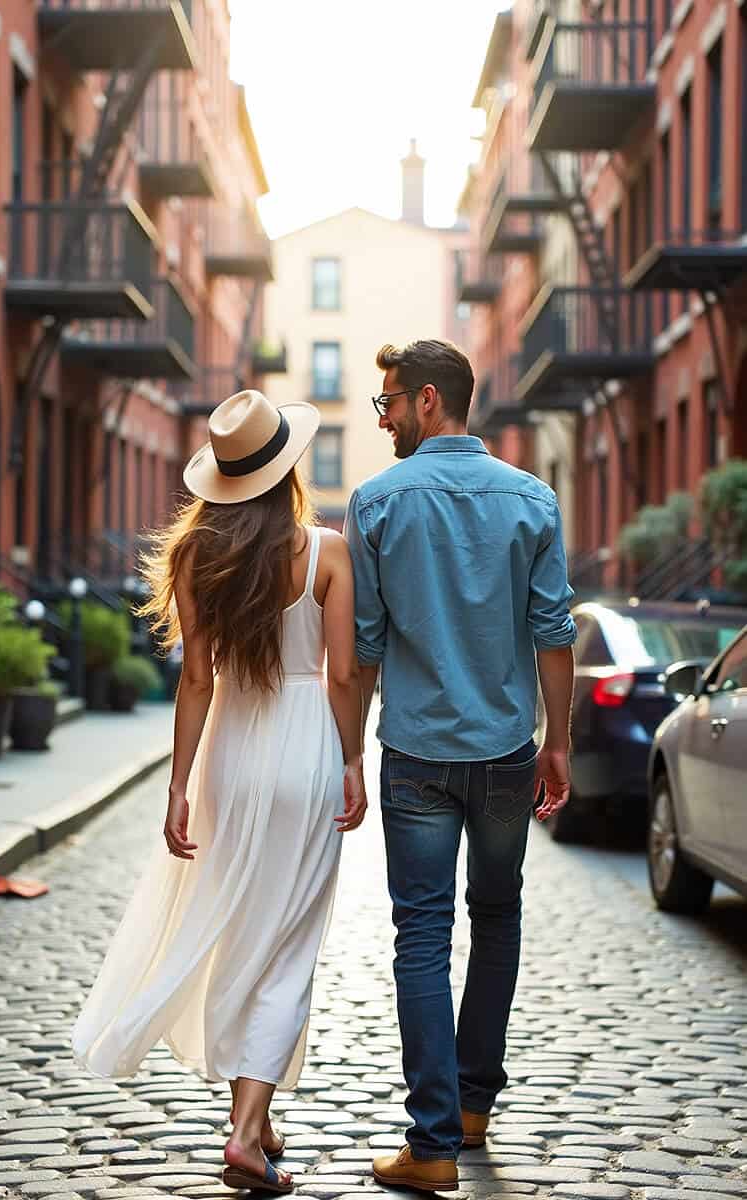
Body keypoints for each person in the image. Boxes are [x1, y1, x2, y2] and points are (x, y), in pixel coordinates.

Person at [72, 389, 367, 1196]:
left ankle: (258, 1120)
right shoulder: (327, 552)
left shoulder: (195, 556)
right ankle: (245, 1132)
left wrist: (177, 784)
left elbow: (196, 680)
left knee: (242, 933)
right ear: (288, 470)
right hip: (307, 748)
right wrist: (352, 760)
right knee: (287, 948)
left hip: (231, 754)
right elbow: (343, 674)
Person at [345, 340, 576, 1193]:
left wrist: (345, 754)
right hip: (507, 752)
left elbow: (363, 648)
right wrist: (557, 745)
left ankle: (434, 1140)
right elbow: (555, 634)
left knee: (421, 936)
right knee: (499, 917)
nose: (384, 418)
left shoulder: (374, 503)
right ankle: (473, 1106)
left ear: (431, 400)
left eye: (390, 403)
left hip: (414, 755)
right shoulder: (532, 499)